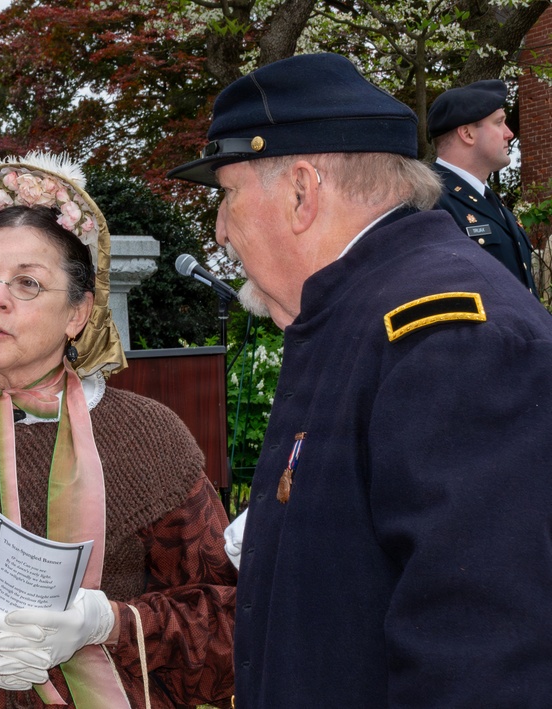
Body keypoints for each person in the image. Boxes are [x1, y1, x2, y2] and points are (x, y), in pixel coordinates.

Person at [168, 52, 552, 708]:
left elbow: (482, 663)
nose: (221, 230)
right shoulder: (361, 317)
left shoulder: (445, 337)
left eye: (228, 196)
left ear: (300, 191)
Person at [0, 152, 237, 708]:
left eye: (27, 284)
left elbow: (229, 619)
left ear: (78, 313)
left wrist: (107, 622)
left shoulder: (147, 439)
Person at [428, 79, 538, 296]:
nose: (509, 133)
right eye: (499, 123)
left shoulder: (491, 202)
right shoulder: (430, 201)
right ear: (467, 134)